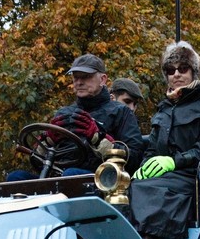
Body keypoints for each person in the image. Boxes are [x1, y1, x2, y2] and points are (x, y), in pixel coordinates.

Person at [129, 41, 200, 239]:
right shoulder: (163, 109)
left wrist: (175, 161)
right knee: (122, 190)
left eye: (183, 68)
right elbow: (152, 148)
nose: (176, 74)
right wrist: (144, 167)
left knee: (153, 193)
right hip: (162, 178)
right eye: (170, 70)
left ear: (194, 72)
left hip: (193, 178)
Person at [8, 54, 144, 180]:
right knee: (15, 177)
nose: (79, 82)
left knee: (71, 175)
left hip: (101, 181)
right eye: (75, 77)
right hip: (59, 176)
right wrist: (48, 140)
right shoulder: (63, 113)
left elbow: (134, 160)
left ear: (103, 79)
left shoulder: (121, 112)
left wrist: (97, 138)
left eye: (85, 77)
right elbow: (38, 162)